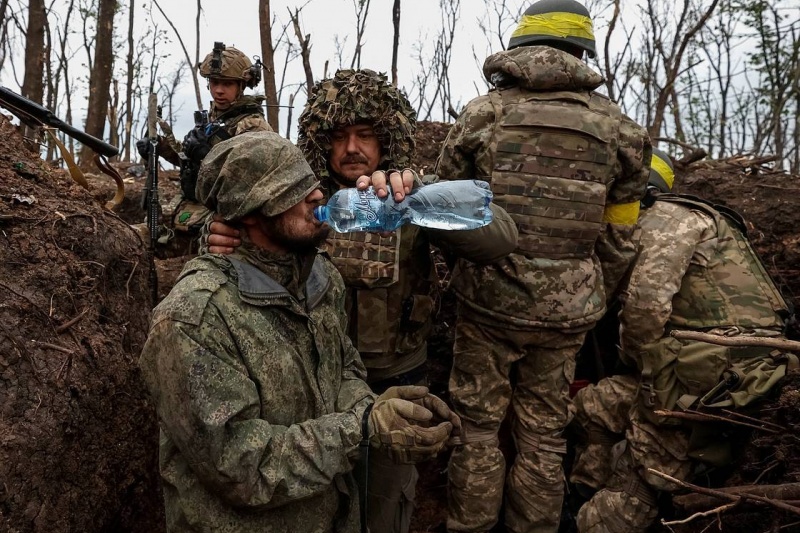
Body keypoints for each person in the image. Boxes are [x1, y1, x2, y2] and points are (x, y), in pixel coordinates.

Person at [206, 69, 519, 533]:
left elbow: (501, 238)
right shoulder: (294, 204)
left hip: (393, 382)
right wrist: (215, 235)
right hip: (312, 392)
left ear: (388, 136)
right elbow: (231, 253)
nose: (352, 148)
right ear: (320, 141)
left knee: (383, 509)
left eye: (366, 134)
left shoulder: (405, 194)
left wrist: (420, 198)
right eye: (339, 136)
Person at [138, 131, 461, 533]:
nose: (315, 196)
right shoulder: (195, 319)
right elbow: (240, 466)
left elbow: (342, 370)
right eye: (292, 189)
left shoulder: (320, 278)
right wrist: (359, 430)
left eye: (310, 182)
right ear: (250, 210)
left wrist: (373, 410)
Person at [433, 1, 652, 531]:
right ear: (583, 51)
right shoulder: (620, 128)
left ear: (521, 46)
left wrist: (461, 272)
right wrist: (591, 291)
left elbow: (444, 207)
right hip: (568, 315)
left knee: (479, 428)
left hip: (487, 303)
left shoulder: (484, 113)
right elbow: (620, 236)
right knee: (544, 433)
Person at [570, 148, 798, 532]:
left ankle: (606, 512)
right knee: (593, 407)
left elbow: (645, 308)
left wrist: (634, 362)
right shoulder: (679, 217)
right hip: (706, 358)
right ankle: (581, 492)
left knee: (638, 482)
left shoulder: (667, 222)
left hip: (713, 368)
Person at [137, 42, 271, 238]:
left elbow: (254, 181)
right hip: (191, 205)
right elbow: (186, 158)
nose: (219, 90)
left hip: (224, 218)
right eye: (214, 82)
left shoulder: (252, 125)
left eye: (227, 84)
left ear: (241, 86)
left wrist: (208, 156)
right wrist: (160, 148)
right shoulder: (212, 119)